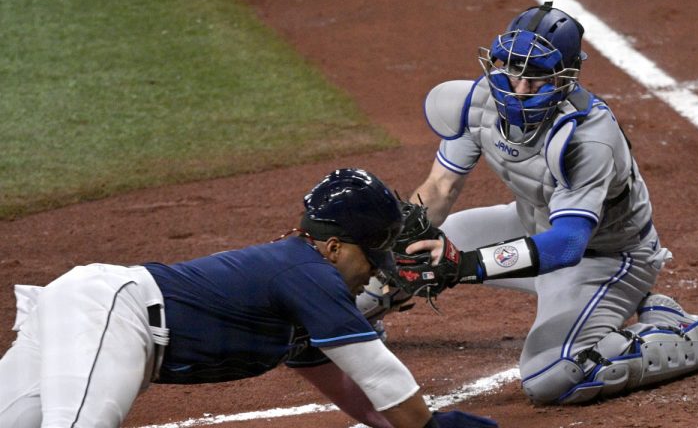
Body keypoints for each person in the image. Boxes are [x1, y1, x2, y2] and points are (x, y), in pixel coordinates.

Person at [396, 1, 698, 404]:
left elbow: (569, 243)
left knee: (553, 377)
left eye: (537, 77)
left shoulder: (587, 138)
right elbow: (439, 189)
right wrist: (398, 242)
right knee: (394, 261)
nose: (519, 88)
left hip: (605, 257)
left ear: (566, 77)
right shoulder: (479, 103)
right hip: (527, 226)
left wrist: (467, 265)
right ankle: (316, 330)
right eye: (511, 69)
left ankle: (681, 332)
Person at [0, 168, 498, 428]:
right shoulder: (309, 273)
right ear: (334, 247)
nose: (372, 275)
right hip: (111, 312)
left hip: (94, 309)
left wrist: (429, 424)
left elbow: (357, 393)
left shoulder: (298, 292)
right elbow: (379, 371)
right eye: (370, 259)